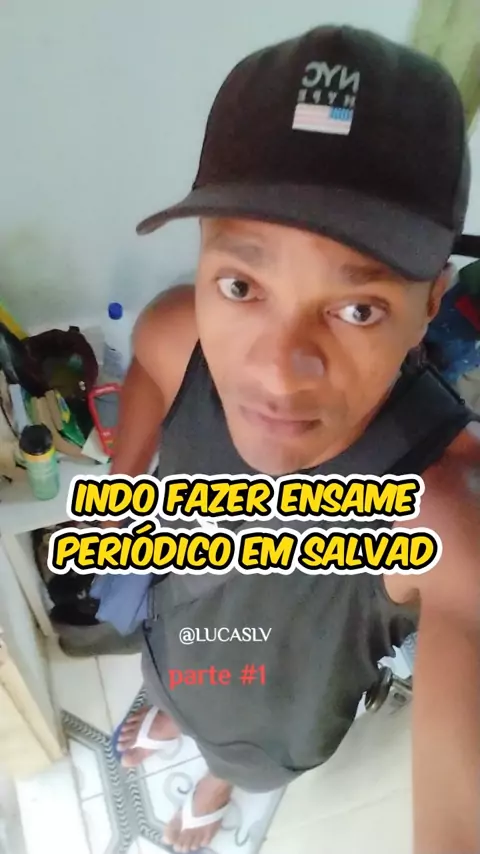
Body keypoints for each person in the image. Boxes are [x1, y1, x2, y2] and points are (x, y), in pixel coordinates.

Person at [111, 25, 480, 854]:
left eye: (358, 308)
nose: (281, 369)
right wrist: (124, 476)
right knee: (170, 684)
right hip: (181, 631)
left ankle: (213, 789)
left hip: (273, 719)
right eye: (242, 286)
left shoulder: (437, 511)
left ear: (431, 304)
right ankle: (170, 716)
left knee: (239, 762)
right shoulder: (177, 336)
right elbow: (148, 376)